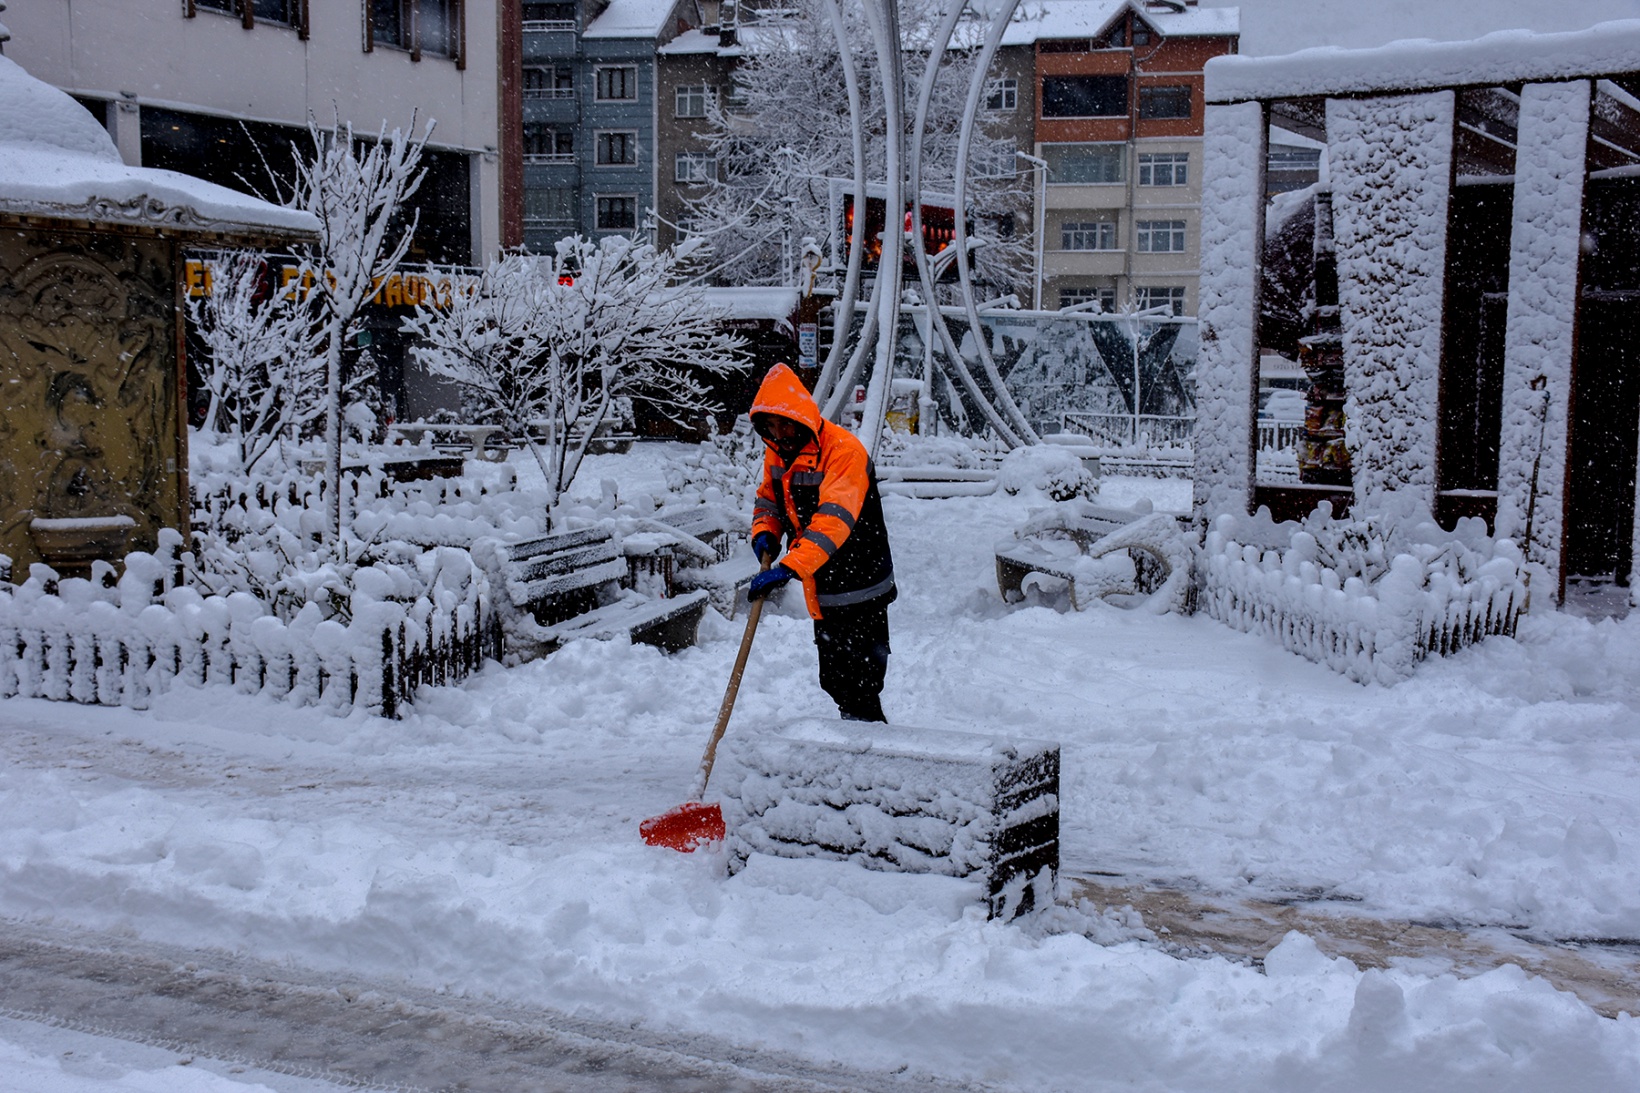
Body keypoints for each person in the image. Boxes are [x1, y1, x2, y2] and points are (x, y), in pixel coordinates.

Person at [745, 363, 896, 723]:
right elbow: (770, 498)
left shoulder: (844, 452)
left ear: (801, 417)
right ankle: (859, 744)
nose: (779, 433)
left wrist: (788, 567)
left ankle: (873, 751)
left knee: (862, 682)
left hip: (861, 580)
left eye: (785, 423)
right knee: (836, 680)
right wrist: (765, 530)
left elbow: (833, 520)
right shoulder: (778, 452)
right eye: (771, 426)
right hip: (823, 582)